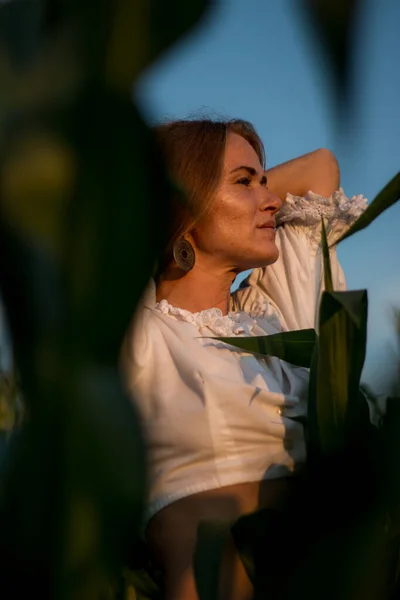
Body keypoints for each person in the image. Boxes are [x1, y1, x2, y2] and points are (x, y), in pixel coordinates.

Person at [120, 118, 367, 600]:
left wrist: (239, 186)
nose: (272, 198)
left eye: (264, 180)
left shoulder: (277, 316)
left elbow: (321, 168)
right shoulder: (142, 331)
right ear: (181, 202)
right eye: (244, 182)